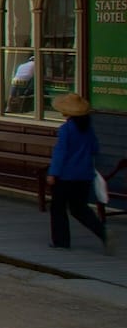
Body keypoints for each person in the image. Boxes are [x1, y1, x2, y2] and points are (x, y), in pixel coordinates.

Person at [46, 93, 114, 254]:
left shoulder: (66, 130)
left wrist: (53, 173)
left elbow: (60, 153)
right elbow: (95, 149)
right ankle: (103, 232)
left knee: (58, 208)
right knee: (80, 209)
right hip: (84, 175)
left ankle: (61, 241)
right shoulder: (88, 130)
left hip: (65, 175)